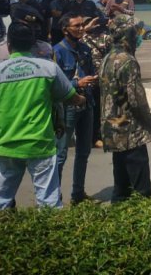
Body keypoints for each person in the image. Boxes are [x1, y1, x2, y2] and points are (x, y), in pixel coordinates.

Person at [0, 22, 85, 213]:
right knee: (49, 204)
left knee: (0, 204)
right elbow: (71, 98)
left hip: (6, 145)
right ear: (32, 45)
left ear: (9, 45)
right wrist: (81, 99)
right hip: (41, 144)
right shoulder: (49, 69)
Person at [0, 5, 54, 155]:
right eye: (28, 26)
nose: (33, 30)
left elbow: (55, 90)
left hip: (40, 128)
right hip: (5, 129)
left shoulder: (45, 50)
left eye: (35, 26)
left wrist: (59, 122)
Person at [100, 15, 151, 202]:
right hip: (131, 133)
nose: (137, 36)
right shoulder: (128, 60)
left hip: (113, 132)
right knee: (141, 192)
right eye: (134, 32)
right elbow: (137, 101)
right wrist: (150, 121)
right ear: (127, 34)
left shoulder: (108, 57)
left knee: (121, 189)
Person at [53, 13, 98, 204]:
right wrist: (76, 83)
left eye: (82, 25)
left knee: (83, 152)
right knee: (61, 154)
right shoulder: (57, 51)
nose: (81, 29)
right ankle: (54, 198)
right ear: (65, 30)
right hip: (67, 108)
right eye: (76, 26)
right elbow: (54, 83)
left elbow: (91, 72)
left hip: (86, 105)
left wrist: (92, 80)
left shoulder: (85, 49)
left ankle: (78, 194)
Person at [82, 16, 112, 149]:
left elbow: (118, 43)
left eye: (94, 23)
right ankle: (91, 137)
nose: (92, 25)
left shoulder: (105, 37)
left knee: (102, 110)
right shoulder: (82, 38)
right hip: (87, 80)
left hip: (103, 80)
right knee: (90, 111)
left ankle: (99, 136)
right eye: (88, 23)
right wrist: (85, 30)